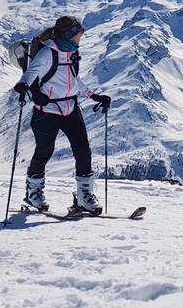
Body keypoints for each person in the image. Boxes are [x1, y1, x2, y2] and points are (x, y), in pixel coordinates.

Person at [13, 15, 112, 214]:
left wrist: (94, 96)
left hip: (70, 109)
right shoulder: (48, 53)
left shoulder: (71, 52)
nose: (82, 36)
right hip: (47, 111)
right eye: (80, 33)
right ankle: (33, 193)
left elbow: (75, 79)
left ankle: (84, 196)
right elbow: (32, 72)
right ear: (72, 34)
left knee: (83, 151)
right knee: (44, 151)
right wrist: (24, 85)